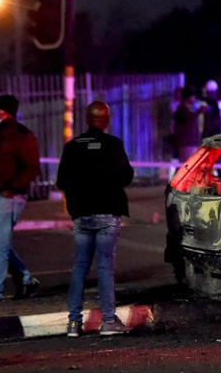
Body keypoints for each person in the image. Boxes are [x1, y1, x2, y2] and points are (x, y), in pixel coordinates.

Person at [57, 101, 134, 337]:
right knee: (104, 267)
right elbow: (127, 176)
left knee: (79, 268)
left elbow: (61, 182)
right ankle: (108, 321)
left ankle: (73, 322)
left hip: (82, 214)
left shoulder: (72, 147)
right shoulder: (113, 145)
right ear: (106, 120)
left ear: (87, 119)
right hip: (107, 213)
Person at [0, 95, 41, 303]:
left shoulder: (21, 135)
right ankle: (26, 279)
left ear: (5, 111)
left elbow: (31, 167)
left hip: (8, 198)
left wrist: (11, 189)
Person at [173, 88, 202, 161]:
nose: (194, 99)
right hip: (187, 144)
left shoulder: (189, 108)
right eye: (193, 97)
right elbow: (188, 120)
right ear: (189, 97)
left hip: (192, 144)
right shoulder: (182, 109)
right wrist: (199, 111)